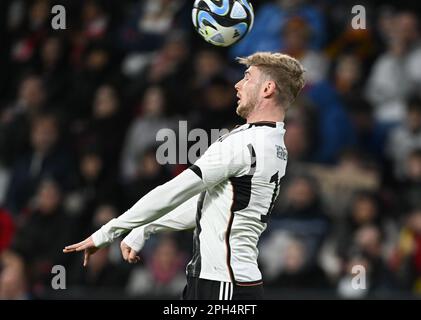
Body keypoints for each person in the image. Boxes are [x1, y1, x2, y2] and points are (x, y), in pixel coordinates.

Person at [63, 52, 306, 300]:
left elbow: (175, 190)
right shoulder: (274, 143)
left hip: (222, 285)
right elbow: (206, 205)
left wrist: (107, 232)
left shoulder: (244, 143)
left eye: (247, 78)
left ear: (267, 88)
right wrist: (146, 227)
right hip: (226, 281)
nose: (237, 84)